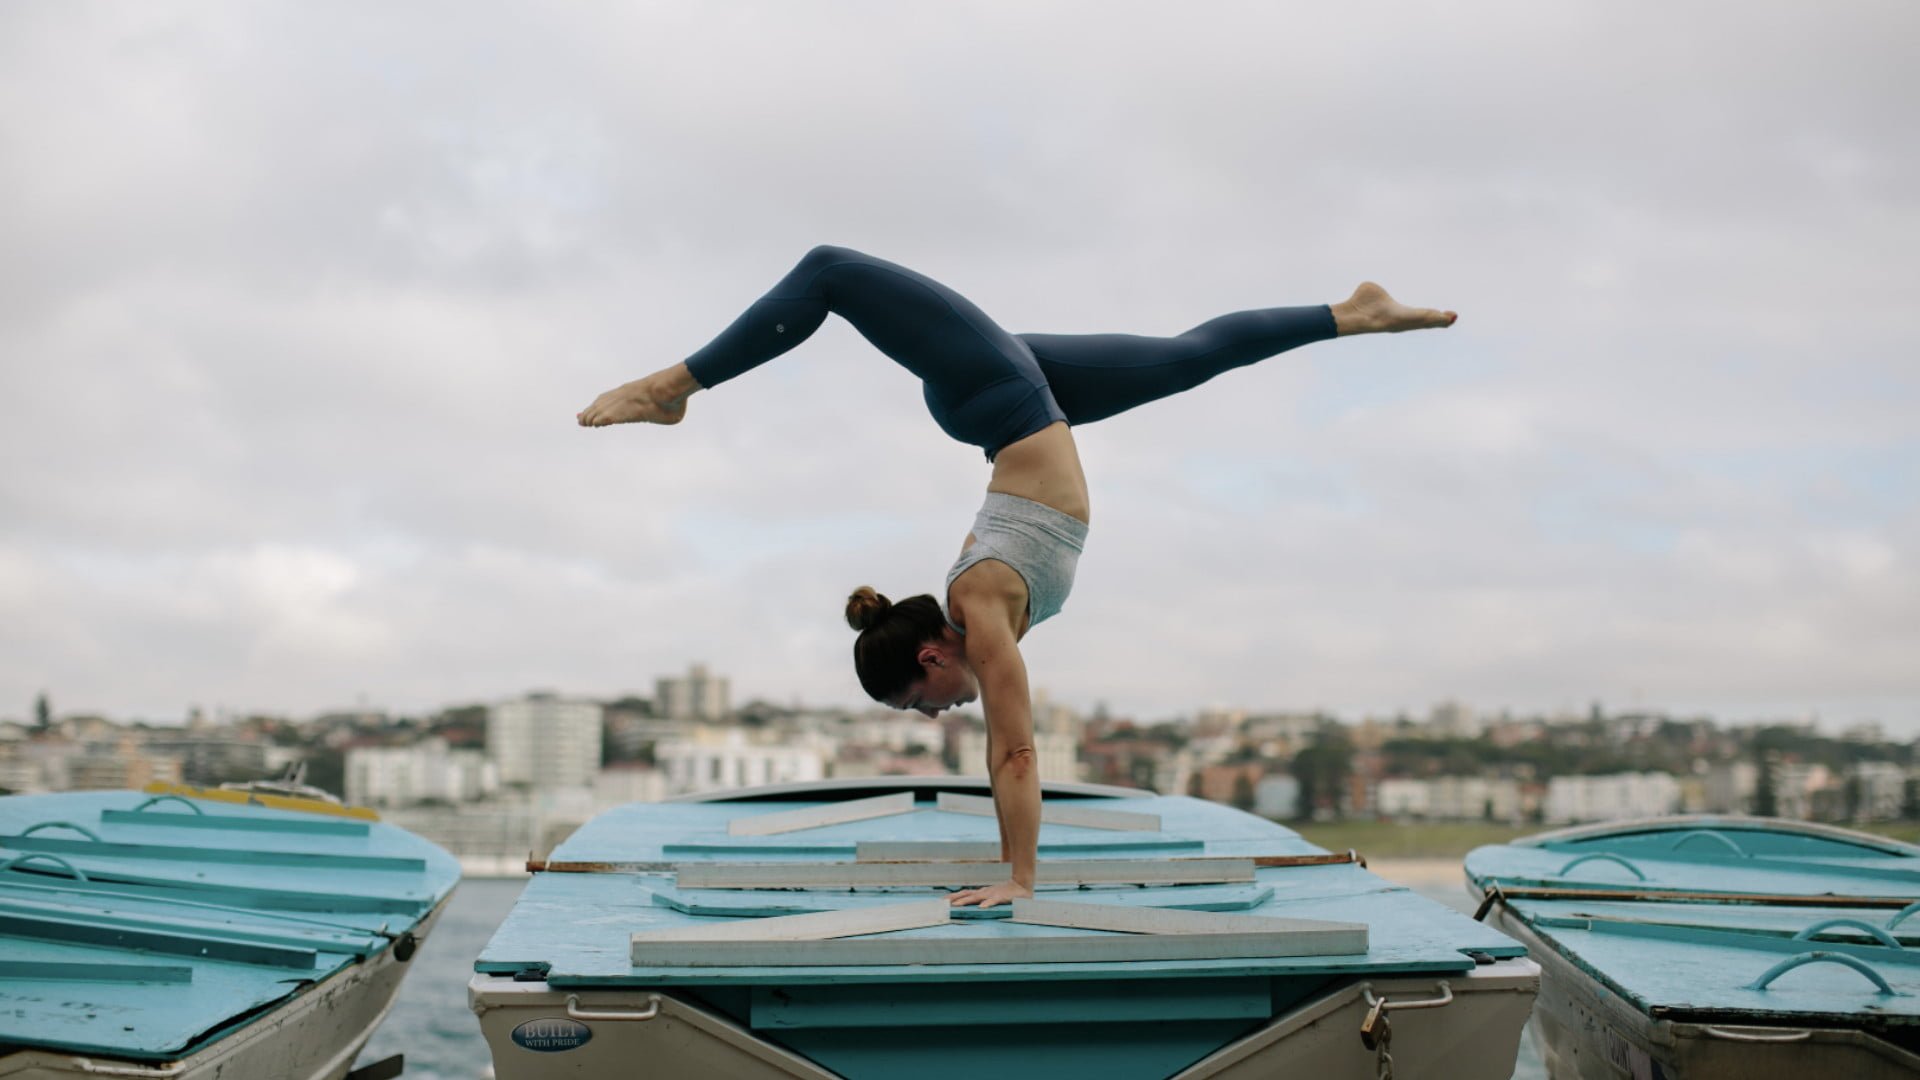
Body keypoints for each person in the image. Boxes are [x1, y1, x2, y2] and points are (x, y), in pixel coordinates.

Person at [577, 245, 1455, 907]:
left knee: (831, 270)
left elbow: (1016, 751)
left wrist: (1020, 881)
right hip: (1015, 402)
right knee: (1189, 358)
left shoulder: (980, 608)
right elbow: (1004, 738)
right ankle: (1354, 313)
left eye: (923, 704)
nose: (940, 714)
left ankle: (673, 386)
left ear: (930, 659)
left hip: (998, 391)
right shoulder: (968, 602)